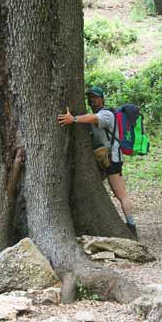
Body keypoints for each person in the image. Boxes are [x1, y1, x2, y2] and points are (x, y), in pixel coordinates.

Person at [57, 86, 137, 238]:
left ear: (102, 99)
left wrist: (72, 119)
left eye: (95, 97)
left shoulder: (105, 114)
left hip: (112, 160)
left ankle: (131, 227)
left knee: (121, 195)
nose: (91, 100)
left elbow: (93, 119)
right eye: (90, 97)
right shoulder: (99, 113)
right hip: (102, 159)